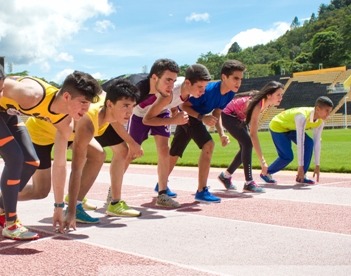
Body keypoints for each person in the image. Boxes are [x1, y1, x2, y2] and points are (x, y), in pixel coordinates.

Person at [0, 72, 102, 231]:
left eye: (89, 103)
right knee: (18, 159)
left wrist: (58, 207)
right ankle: (9, 221)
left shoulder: (66, 121)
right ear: (67, 96)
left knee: (40, 187)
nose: (86, 108)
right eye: (83, 102)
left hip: (8, 113)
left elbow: (60, 165)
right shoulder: (31, 94)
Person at [126, 62, 212, 208]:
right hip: (141, 114)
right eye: (200, 87)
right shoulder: (169, 93)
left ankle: (163, 193)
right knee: (131, 153)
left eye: (204, 87)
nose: (203, 91)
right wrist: (174, 119)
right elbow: (148, 119)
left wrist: (173, 110)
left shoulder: (185, 88)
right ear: (188, 83)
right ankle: (112, 192)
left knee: (164, 150)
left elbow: (176, 100)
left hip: (162, 110)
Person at [63, 80, 140, 230]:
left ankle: (77, 204)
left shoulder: (107, 114)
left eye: (132, 107)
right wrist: (70, 211)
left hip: (68, 133)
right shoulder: (90, 119)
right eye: (125, 106)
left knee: (98, 155)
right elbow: (76, 168)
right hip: (48, 132)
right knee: (39, 188)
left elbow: (116, 121)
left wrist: (131, 143)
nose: (130, 113)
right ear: (110, 104)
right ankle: (6, 199)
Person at [169, 60, 245, 203]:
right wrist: (201, 117)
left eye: (240, 79)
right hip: (188, 115)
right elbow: (184, 106)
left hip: (197, 117)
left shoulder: (229, 93)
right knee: (208, 145)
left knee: (175, 152)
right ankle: (201, 191)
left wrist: (222, 133)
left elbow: (217, 112)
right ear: (224, 77)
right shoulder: (208, 90)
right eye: (235, 78)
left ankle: (161, 184)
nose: (238, 82)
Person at [218, 81, 285, 192]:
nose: (281, 98)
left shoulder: (264, 103)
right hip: (228, 115)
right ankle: (249, 182)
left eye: (281, 95)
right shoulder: (257, 104)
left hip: (237, 117)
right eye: (278, 95)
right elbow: (253, 134)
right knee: (248, 144)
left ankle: (225, 176)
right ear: (269, 95)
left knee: (245, 147)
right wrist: (262, 161)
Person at [261, 96, 334, 185]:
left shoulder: (320, 122)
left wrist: (317, 165)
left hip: (291, 127)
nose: (328, 114)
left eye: (330, 111)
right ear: (318, 109)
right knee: (287, 156)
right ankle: (266, 173)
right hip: (278, 126)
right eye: (327, 111)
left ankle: (302, 176)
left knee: (309, 143)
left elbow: (317, 142)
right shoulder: (301, 117)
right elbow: (300, 142)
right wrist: (300, 166)